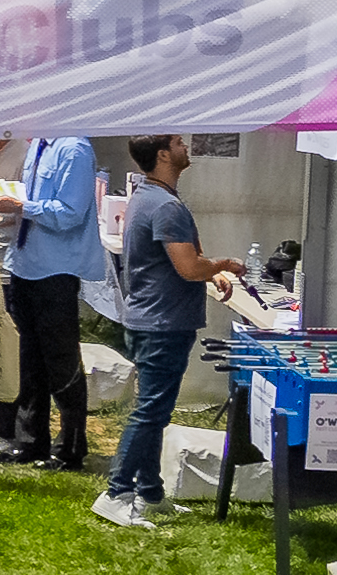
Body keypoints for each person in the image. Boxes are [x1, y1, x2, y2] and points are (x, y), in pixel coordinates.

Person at [93, 136, 239, 529]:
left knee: (155, 411)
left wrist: (214, 274)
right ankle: (116, 492)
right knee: (150, 412)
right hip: (163, 323)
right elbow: (188, 268)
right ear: (162, 155)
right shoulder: (167, 205)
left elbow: (178, 262)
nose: (185, 146)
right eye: (177, 142)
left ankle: (151, 492)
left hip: (150, 318)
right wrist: (225, 264)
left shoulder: (146, 196)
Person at [0, 135, 103, 471]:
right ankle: (29, 441)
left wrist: (24, 208)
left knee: (60, 358)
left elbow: (70, 212)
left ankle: (70, 448)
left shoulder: (74, 149)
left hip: (56, 269)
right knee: (29, 360)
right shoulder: (39, 144)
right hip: (25, 264)